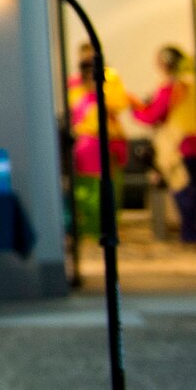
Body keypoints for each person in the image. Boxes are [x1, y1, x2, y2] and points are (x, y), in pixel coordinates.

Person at [130, 45, 196, 243]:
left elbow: (154, 115)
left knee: (182, 188)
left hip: (178, 143)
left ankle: (191, 232)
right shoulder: (192, 83)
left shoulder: (172, 86)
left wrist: (135, 108)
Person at [64, 45, 134, 244]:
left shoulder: (109, 82)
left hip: (103, 143)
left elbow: (118, 106)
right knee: (86, 191)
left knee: (104, 189)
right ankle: (90, 229)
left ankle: (104, 228)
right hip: (85, 146)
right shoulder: (75, 89)